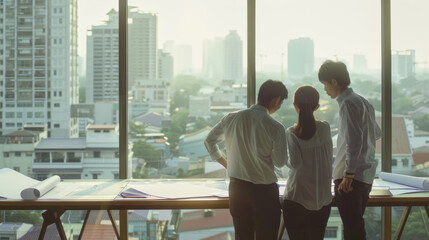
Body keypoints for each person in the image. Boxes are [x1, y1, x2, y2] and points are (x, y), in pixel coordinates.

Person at [204, 79, 288, 240]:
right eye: (281, 102)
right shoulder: (275, 127)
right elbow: (279, 162)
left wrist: (226, 164)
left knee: (242, 236)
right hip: (264, 192)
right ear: (276, 100)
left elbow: (209, 141)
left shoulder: (231, 118)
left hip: (237, 189)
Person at [318, 60, 382, 240]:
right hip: (366, 174)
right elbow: (376, 134)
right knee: (354, 226)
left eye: (325, 85)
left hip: (350, 178)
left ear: (334, 82)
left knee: (353, 229)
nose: (325, 90)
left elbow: (353, 142)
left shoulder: (347, 103)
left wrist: (349, 174)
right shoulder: (363, 101)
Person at [282, 85, 333, 240]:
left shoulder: (292, 132)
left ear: (295, 105)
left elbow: (295, 164)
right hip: (323, 200)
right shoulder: (325, 127)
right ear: (317, 106)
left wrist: (283, 159)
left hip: (298, 198)